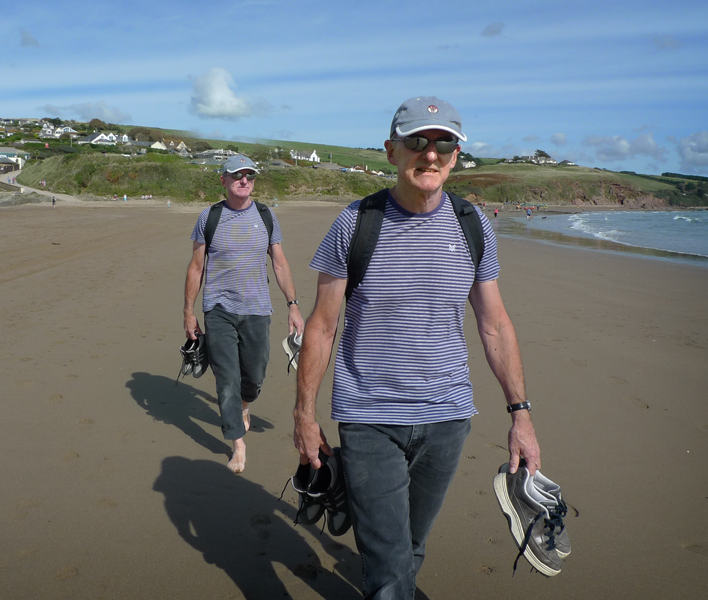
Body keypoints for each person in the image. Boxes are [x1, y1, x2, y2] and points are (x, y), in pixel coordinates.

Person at [293, 96, 541, 598]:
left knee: (410, 546)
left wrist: (521, 415)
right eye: (417, 143)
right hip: (368, 418)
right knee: (387, 565)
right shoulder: (356, 222)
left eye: (444, 144)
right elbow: (321, 326)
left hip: (448, 419)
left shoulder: (473, 224)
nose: (430, 155)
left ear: (455, 156)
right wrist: (305, 414)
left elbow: (494, 325)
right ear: (391, 151)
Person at [185, 155, 305, 473]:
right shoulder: (208, 217)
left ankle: (244, 407)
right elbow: (196, 268)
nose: (244, 180)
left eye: (249, 175)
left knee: (254, 376)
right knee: (226, 380)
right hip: (218, 310)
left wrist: (293, 305)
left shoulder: (266, 216)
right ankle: (238, 443)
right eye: (237, 175)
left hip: (256, 310)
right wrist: (188, 312)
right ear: (223, 180)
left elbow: (279, 263)